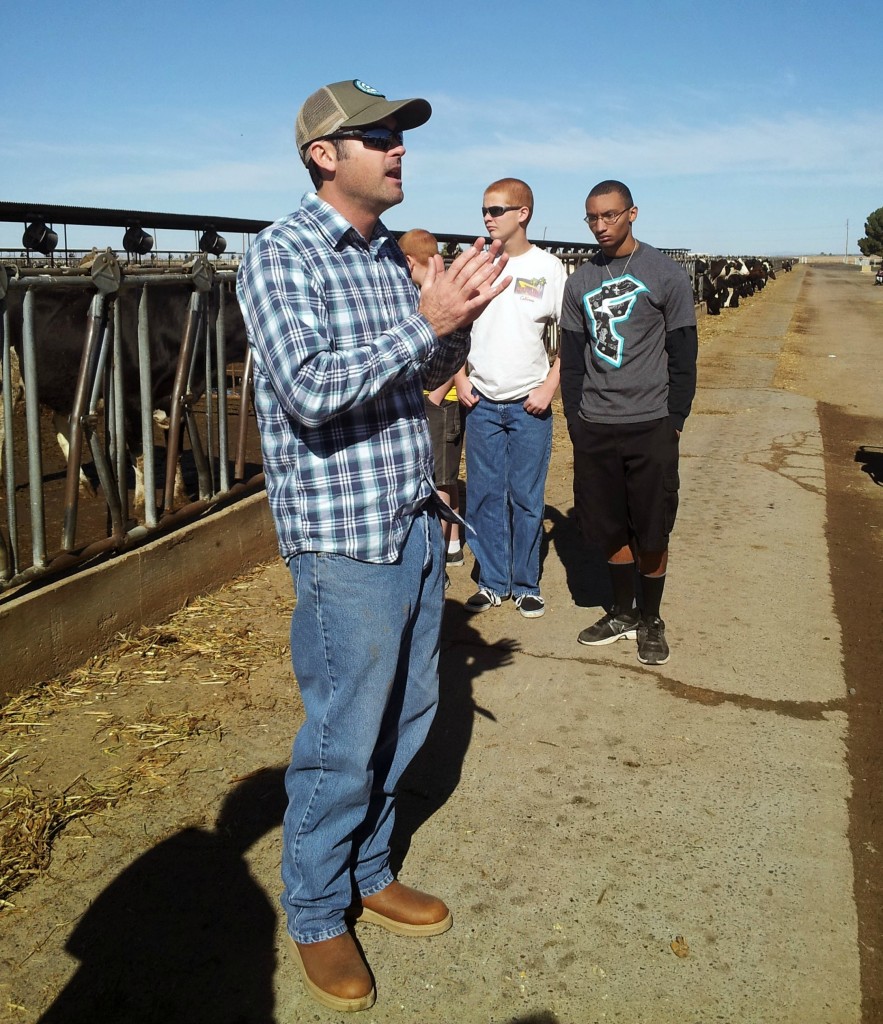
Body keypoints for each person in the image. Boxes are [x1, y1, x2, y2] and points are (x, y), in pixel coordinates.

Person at [236, 79, 510, 1013]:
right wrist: (423, 324)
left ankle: (367, 867)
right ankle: (314, 908)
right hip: (341, 537)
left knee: (407, 715)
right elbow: (310, 388)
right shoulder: (280, 257)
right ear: (325, 155)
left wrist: (449, 330)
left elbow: (411, 379)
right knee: (345, 734)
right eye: (381, 136)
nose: (400, 150)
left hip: (409, 512)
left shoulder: (387, 258)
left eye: (400, 137)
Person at [559, 179, 697, 666]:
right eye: (593, 218)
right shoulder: (578, 282)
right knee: (609, 525)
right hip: (596, 425)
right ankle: (622, 611)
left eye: (610, 216)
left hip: (650, 424)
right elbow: (572, 360)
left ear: (632, 214)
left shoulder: (666, 274)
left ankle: (652, 617)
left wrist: (674, 420)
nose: (601, 226)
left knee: (653, 526)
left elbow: (683, 355)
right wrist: (576, 421)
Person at [455, 178, 566, 618]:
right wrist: (460, 378)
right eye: (484, 209)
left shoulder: (549, 268)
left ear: (523, 214)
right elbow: (453, 326)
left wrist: (549, 386)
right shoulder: (475, 265)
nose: (487, 217)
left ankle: (525, 582)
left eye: (497, 210)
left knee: (525, 494)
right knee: (483, 493)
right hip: (481, 400)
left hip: (528, 403)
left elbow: (571, 336)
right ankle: (492, 580)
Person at [398, 228, 465, 582]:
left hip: (437, 399)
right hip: (434, 398)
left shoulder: (432, 294)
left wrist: (436, 392)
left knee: (439, 480)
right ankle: (447, 545)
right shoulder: (434, 289)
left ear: (408, 261)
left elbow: (458, 344)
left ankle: (438, 554)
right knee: (444, 478)